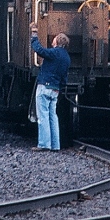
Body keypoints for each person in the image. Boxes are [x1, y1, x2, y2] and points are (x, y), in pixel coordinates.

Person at [30, 22, 70, 151]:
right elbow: (64, 77)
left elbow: (39, 49)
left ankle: (44, 144)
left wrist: (34, 34)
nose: (52, 41)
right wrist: (60, 88)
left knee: (43, 116)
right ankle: (55, 145)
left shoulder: (55, 53)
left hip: (45, 87)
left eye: (54, 39)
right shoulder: (66, 57)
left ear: (57, 41)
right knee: (53, 116)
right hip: (55, 89)